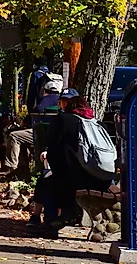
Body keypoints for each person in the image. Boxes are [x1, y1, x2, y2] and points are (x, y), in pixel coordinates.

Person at [38, 91, 113, 237]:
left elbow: (54, 149)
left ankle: (51, 223)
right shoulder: (97, 123)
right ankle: (67, 215)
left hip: (75, 178)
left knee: (46, 182)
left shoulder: (63, 120)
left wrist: (54, 166)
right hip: (101, 178)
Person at [3, 78, 62, 179]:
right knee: (21, 138)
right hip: (53, 134)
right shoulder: (60, 99)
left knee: (14, 136)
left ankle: (11, 167)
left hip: (41, 133)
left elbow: (37, 110)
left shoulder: (49, 98)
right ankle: (23, 168)